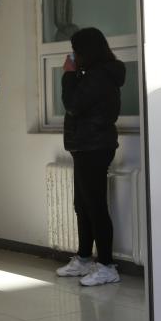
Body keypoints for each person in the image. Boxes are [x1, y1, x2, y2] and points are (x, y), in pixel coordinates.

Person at [54, 27, 126, 286]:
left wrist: (68, 74)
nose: (73, 55)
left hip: (94, 147)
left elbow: (73, 105)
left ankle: (106, 265)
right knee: (83, 205)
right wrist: (75, 74)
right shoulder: (95, 74)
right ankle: (84, 258)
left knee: (95, 206)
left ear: (87, 51)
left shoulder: (100, 76)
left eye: (76, 51)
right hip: (86, 146)